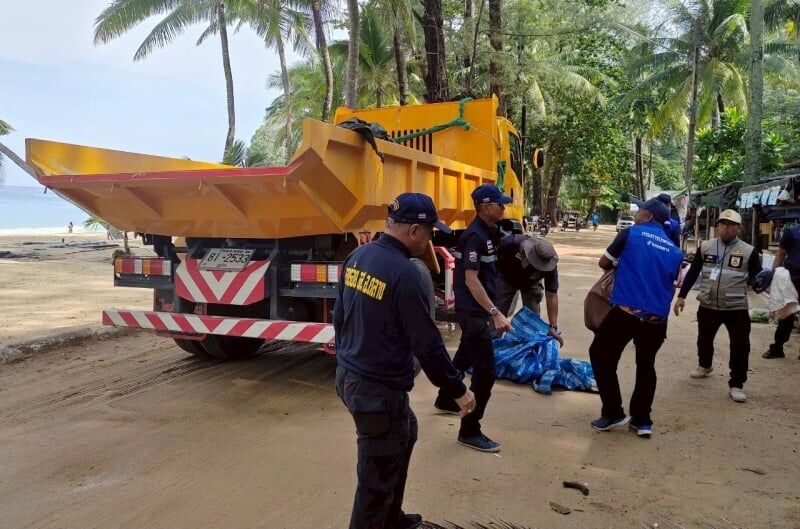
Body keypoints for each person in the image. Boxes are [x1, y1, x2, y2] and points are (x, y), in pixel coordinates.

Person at [333, 192, 476, 529]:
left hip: (351, 378)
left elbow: (340, 315)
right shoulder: (405, 273)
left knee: (406, 432)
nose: (430, 240)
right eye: (429, 233)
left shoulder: (358, 256)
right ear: (414, 231)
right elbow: (427, 343)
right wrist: (457, 389)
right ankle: (377, 519)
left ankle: (392, 518)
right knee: (375, 480)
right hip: (376, 391)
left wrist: (349, 356)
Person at [589, 197, 683, 438]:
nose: (636, 214)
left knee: (601, 354)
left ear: (648, 216)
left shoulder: (631, 234)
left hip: (626, 312)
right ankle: (642, 420)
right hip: (656, 319)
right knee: (646, 364)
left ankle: (612, 411)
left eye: (640, 211)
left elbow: (604, 263)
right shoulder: (675, 250)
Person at [434, 183, 513, 453]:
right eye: (499, 203)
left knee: (465, 355)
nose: (503, 207)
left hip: (478, 310)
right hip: (474, 312)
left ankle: (446, 397)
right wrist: (495, 312)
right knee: (486, 373)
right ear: (483, 207)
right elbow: (470, 279)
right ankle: (470, 430)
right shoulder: (474, 237)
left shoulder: (489, 233)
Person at [673, 209, 760, 403]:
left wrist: (767, 285)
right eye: (723, 224)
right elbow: (694, 271)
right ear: (717, 227)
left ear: (739, 228)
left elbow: (757, 278)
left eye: (731, 225)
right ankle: (705, 365)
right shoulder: (706, 246)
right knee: (704, 339)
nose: (726, 228)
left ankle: (737, 383)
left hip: (736, 307)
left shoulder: (749, 251)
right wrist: (682, 296)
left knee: (740, 346)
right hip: (708, 303)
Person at [495, 234, 562, 345]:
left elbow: (551, 294)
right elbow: (492, 262)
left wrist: (553, 326)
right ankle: (492, 347)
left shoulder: (550, 265)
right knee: (498, 317)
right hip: (506, 279)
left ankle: (528, 347)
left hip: (532, 283)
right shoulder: (511, 243)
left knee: (532, 322)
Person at [764, 221, 800, 359]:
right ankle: (778, 347)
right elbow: (781, 253)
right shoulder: (792, 232)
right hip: (792, 280)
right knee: (786, 313)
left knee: (787, 314)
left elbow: (780, 253)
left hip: (793, 279)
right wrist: (773, 275)